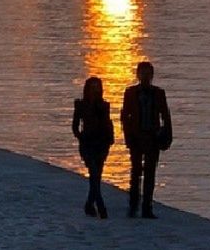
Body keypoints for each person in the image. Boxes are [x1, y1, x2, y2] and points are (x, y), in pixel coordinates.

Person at [121, 62, 173, 219]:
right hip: (136, 138)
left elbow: (165, 116)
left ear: (152, 76)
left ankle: (147, 207)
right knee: (135, 173)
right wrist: (128, 136)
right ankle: (133, 205)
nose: (145, 77)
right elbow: (125, 116)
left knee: (150, 174)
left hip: (153, 138)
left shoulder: (159, 93)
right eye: (142, 73)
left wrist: (166, 136)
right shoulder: (130, 93)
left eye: (148, 74)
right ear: (138, 75)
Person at [72, 77, 114, 219]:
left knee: (96, 176)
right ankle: (101, 206)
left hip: (101, 144)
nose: (95, 90)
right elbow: (75, 126)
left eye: (97, 87)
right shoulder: (81, 105)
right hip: (87, 144)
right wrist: (81, 137)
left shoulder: (104, 106)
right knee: (94, 173)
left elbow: (108, 124)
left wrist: (109, 140)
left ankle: (89, 204)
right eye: (92, 87)